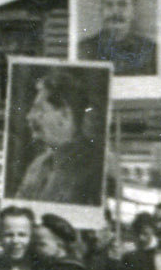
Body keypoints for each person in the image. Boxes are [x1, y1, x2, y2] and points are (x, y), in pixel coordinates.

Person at [11, 67, 103, 206]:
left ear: (64, 115)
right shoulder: (37, 166)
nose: (29, 116)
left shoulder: (95, 166)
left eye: (39, 109)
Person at [76, 0, 158, 77]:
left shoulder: (150, 51)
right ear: (101, 11)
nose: (115, 12)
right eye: (109, 5)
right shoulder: (84, 49)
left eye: (122, 5)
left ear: (134, 12)